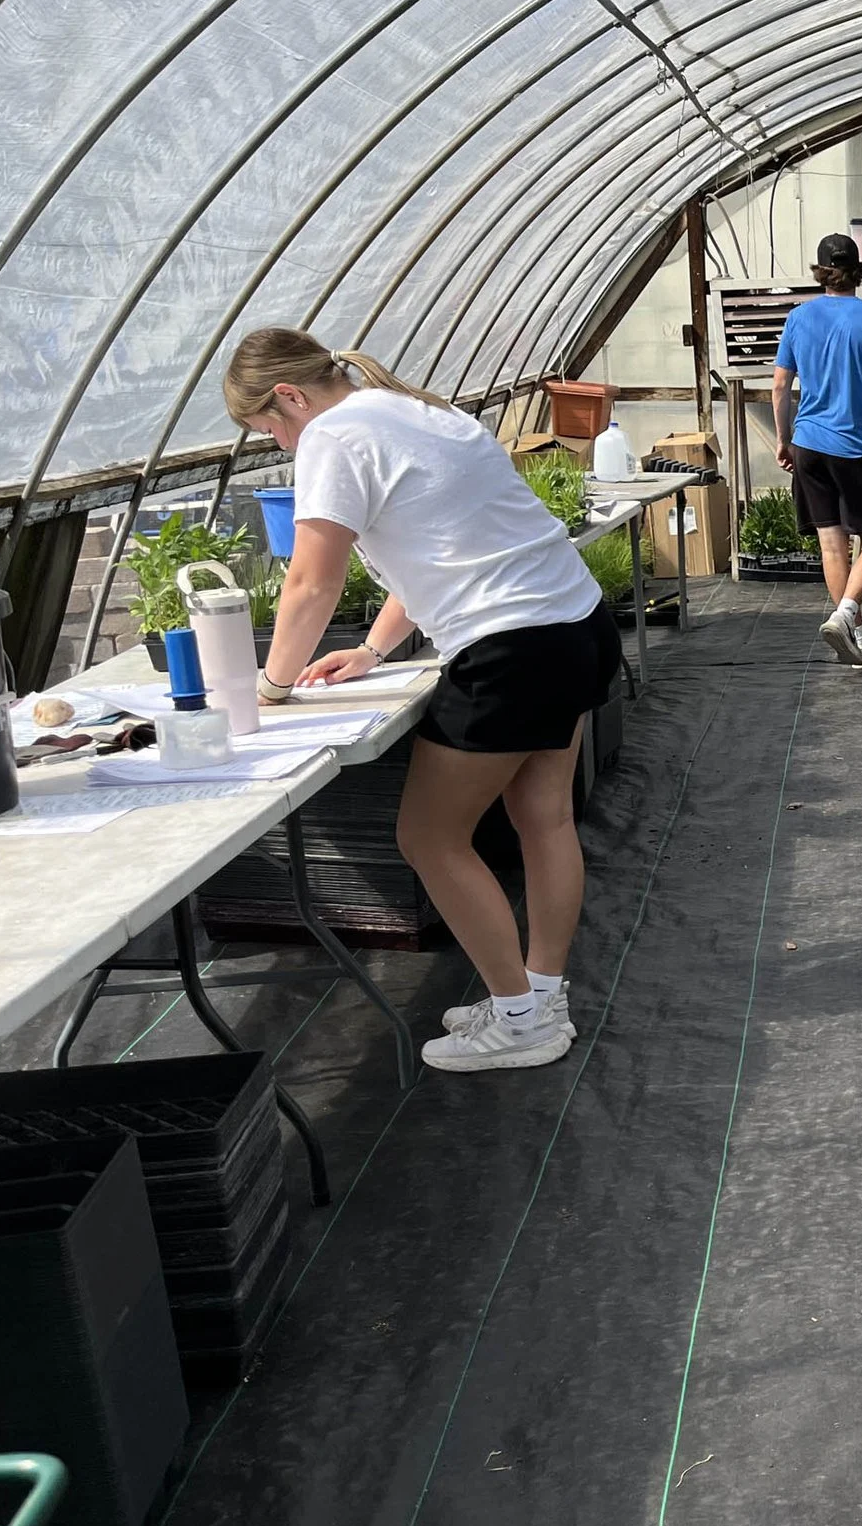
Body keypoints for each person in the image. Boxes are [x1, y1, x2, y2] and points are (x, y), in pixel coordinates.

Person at [224, 328, 620, 1075]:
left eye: (270, 429)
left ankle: (519, 1022)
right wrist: (373, 649)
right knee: (545, 817)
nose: (278, 443)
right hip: (574, 624)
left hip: (512, 652)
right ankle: (537, 998)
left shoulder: (333, 436)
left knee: (428, 837)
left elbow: (313, 581)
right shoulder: (414, 410)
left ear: (288, 395)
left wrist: (270, 685)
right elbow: (440, 541)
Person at [775, 232, 862, 667]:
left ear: (821, 272)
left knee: (832, 546)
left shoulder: (799, 318)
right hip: (856, 447)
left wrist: (784, 439)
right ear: (858, 271)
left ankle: (852, 636)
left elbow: (780, 385)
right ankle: (848, 615)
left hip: (809, 446)